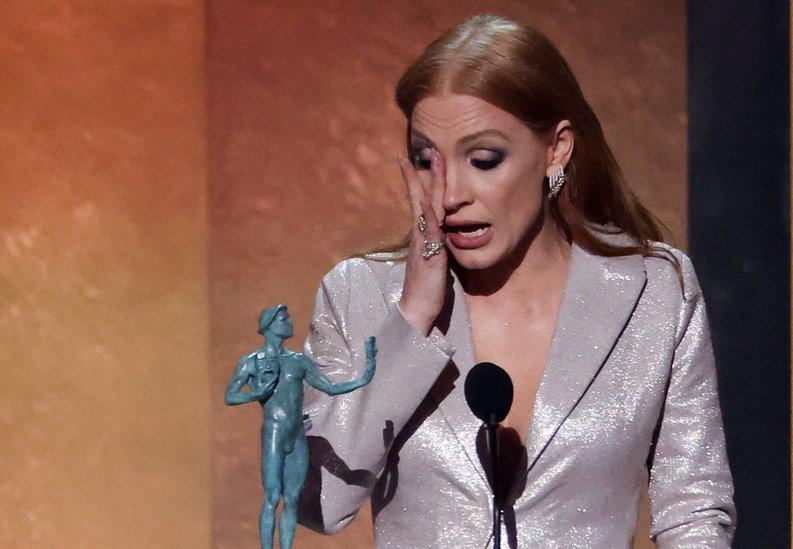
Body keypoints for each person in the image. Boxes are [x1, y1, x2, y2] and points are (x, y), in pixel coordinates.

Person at [298, 14, 735, 548]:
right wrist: (410, 321)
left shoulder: (655, 291)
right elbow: (317, 502)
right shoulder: (359, 296)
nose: (449, 192)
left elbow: (693, 512)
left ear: (557, 149)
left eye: (483, 160)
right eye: (425, 161)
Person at [224, 304, 375, 549]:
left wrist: (364, 377)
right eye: (284, 319)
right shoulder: (251, 362)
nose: (290, 322)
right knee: (272, 497)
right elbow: (230, 395)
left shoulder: (299, 362)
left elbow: (330, 388)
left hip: (297, 436)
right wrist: (256, 394)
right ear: (270, 326)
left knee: (292, 499)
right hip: (274, 432)